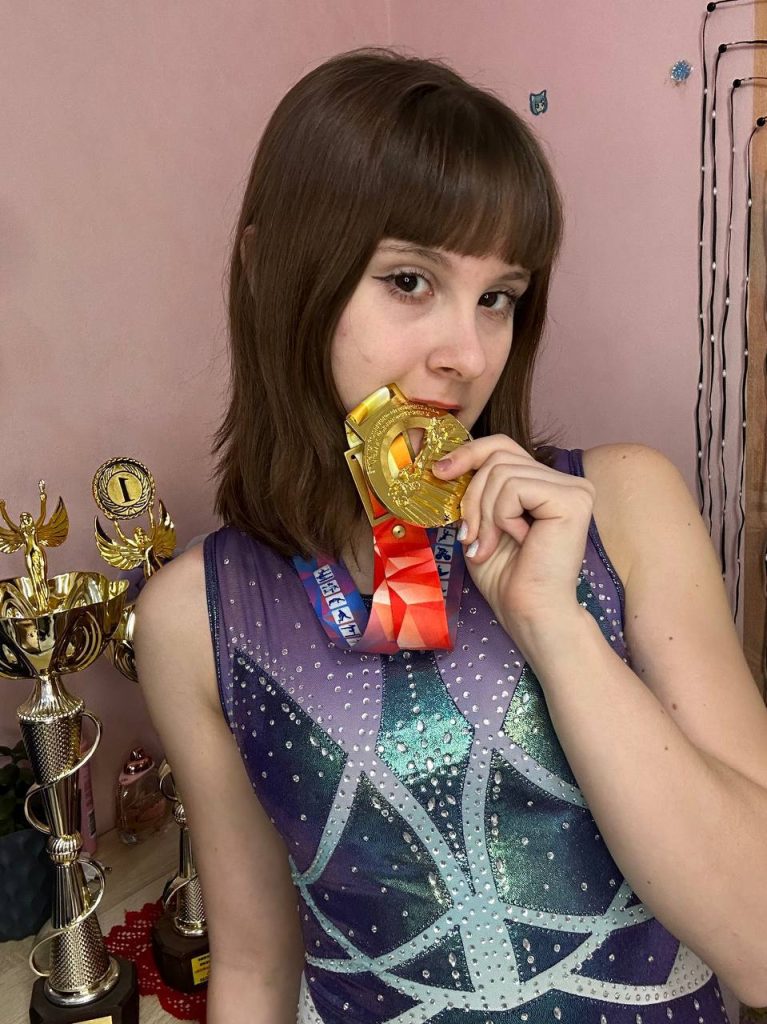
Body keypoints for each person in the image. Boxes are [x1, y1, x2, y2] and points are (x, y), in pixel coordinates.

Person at [134, 48, 767, 1024]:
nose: (466, 355)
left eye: (497, 296)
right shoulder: (192, 618)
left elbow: (758, 946)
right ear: (270, 272)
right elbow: (256, 968)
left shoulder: (624, 508)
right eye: (407, 280)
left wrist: (554, 626)